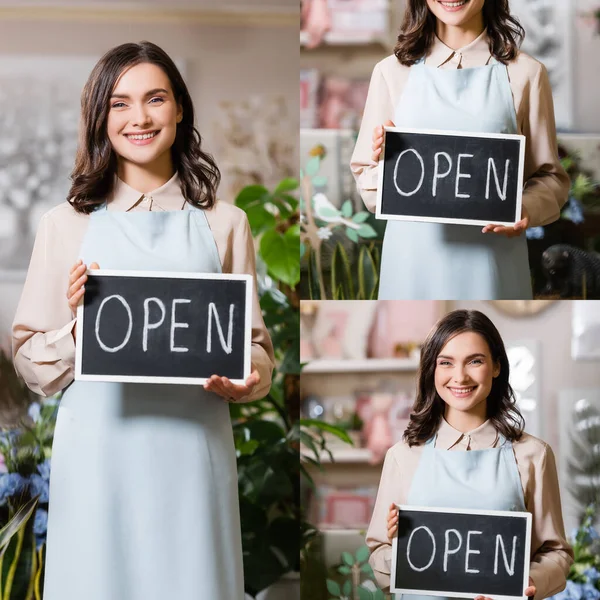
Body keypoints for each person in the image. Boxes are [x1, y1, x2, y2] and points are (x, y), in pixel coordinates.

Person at [12, 41, 274, 600]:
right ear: (100, 117)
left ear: (179, 108)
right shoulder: (65, 225)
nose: (140, 118)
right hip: (100, 453)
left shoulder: (226, 224)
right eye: (120, 103)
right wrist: (77, 331)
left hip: (193, 454)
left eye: (155, 99)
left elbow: (256, 350)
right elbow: (31, 363)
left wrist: (247, 379)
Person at [350, 0, 569, 300]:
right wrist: (386, 165)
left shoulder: (526, 74)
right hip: (412, 264)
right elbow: (365, 171)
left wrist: (526, 207)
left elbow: (551, 178)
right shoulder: (390, 72)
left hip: (493, 264)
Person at [367, 310, 573, 599]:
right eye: (446, 363)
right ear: (432, 370)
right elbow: (378, 551)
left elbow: (556, 552)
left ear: (497, 366)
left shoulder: (533, 455)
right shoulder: (402, 456)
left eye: (475, 361)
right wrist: (399, 549)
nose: (460, 377)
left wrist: (526, 583)